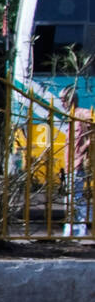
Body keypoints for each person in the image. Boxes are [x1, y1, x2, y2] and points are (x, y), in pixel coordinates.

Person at [60, 86, 91, 237]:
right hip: (70, 163)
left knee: (75, 197)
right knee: (72, 197)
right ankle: (75, 229)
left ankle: (77, 230)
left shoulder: (81, 114)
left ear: (71, 100)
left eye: (63, 100)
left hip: (78, 162)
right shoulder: (71, 117)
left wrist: (86, 145)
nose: (62, 104)